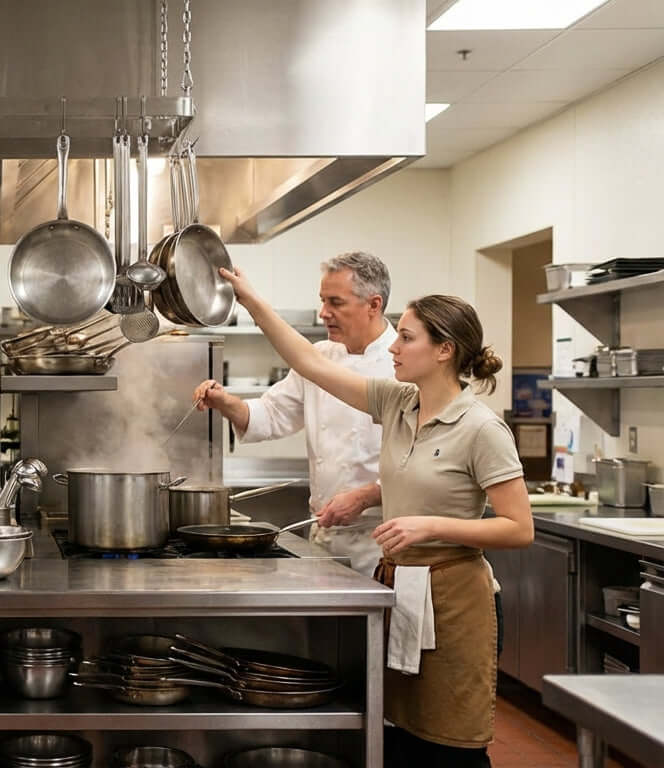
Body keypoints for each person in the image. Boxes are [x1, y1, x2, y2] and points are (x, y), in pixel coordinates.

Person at [214, 265, 533, 767]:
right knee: (400, 738)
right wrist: (251, 299)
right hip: (400, 584)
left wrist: (430, 524)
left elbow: (519, 528)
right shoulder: (398, 402)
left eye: (406, 338)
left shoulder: (481, 428)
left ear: (444, 350)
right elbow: (310, 363)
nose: (393, 348)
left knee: (452, 746)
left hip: (454, 597)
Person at [192, 252, 395, 576]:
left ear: (374, 304)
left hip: (380, 543)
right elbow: (273, 414)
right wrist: (226, 402)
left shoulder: (401, 364)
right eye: (322, 300)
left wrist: (366, 497)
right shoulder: (320, 355)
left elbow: (418, 462)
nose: (323, 313)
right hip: (324, 535)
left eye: (335, 302)